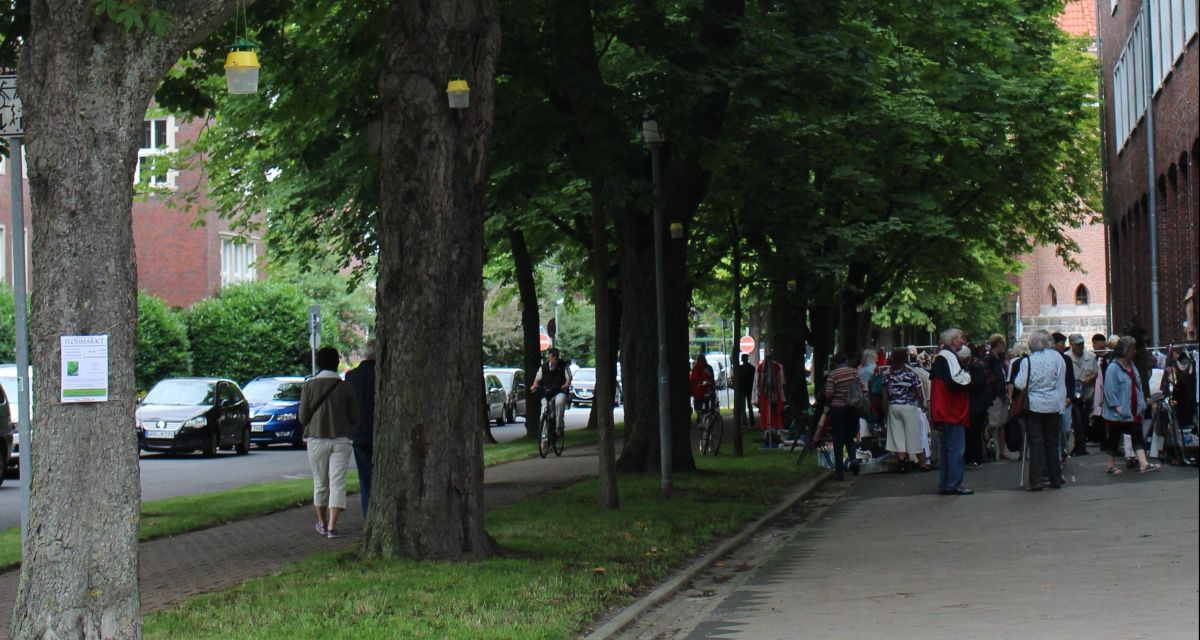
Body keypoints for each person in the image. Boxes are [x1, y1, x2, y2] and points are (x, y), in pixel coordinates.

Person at [301, 347, 360, 539]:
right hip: (342, 438)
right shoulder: (346, 387)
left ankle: (322, 522)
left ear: (319, 363)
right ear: (337, 362)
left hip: (316, 438)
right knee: (338, 482)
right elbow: (354, 416)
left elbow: (302, 417)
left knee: (320, 482)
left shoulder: (309, 386)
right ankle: (333, 526)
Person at [1014, 330, 1067, 491]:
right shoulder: (1056, 358)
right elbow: (1060, 381)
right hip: (1053, 404)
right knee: (1052, 443)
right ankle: (1055, 479)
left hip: (1034, 405)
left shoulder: (1027, 361)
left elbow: (1020, 383)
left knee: (1036, 444)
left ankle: (1036, 481)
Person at [1101, 336, 1159, 474]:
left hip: (1134, 409)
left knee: (1137, 435)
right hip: (1119, 412)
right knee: (1114, 437)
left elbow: (1137, 386)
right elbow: (1109, 390)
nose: (1135, 352)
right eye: (1133, 349)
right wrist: (1117, 407)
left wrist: (1142, 402)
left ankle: (1143, 463)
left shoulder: (1132, 366)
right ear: (1126, 350)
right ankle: (1110, 465)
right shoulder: (1113, 368)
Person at [931, 328, 973, 495]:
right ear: (953, 340)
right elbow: (957, 381)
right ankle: (954, 484)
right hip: (951, 411)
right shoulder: (948, 357)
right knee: (955, 449)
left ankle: (946, 483)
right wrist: (967, 376)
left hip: (944, 410)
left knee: (947, 449)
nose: (962, 341)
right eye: (960, 338)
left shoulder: (942, 357)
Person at [345, 338, 376, 519]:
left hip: (358, 433)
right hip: (378, 433)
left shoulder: (352, 376)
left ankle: (368, 518)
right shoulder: (383, 374)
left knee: (365, 481)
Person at [883, 348, 926, 473]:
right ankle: (922, 463)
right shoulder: (911, 373)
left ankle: (901, 463)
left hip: (894, 406)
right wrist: (921, 404)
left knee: (898, 436)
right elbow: (919, 392)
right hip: (910, 406)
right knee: (913, 434)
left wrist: (886, 410)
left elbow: (885, 395)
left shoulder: (887, 373)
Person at [824, 353, 866, 479]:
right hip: (852, 409)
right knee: (850, 437)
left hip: (838, 409)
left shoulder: (833, 374)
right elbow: (863, 388)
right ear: (846, 360)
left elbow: (829, 393)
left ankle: (839, 471)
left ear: (835, 363)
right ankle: (853, 460)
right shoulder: (853, 372)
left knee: (838, 439)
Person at [530, 347, 572, 437]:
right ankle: (544, 438)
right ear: (549, 357)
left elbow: (568, 377)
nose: (555, 358)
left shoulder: (563, 365)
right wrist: (534, 386)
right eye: (553, 356)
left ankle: (559, 426)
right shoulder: (543, 367)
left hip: (559, 391)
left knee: (559, 403)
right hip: (547, 392)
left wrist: (566, 385)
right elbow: (537, 379)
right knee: (543, 414)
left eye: (556, 356)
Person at [1068, 333, 1098, 456]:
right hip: (1074, 396)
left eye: (1081, 344)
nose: (1080, 346)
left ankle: (1080, 445)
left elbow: (1096, 373)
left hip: (1087, 394)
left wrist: (1089, 379)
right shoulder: (1066, 357)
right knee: (1077, 421)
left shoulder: (1091, 356)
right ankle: (1079, 446)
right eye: (1077, 344)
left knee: (1084, 422)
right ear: (1071, 345)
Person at [1051, 332, 1078, 458]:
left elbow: (1071, 380)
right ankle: (1058, 453)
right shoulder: (1050, 360)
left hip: (1066, 399)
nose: (1063, 346)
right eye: (1061, 343)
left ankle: (1062, 449)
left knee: (1066, 428)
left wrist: (1070, 397)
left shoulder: (1067, 359)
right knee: (1056, 429)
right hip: (1053, 400)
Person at [754, 350, 787, 447]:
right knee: (773, 414)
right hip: (774, 395)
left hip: (768, 395)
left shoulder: (761, 367)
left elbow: (757, 383)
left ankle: (770, 434)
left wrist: (758, 396)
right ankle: (773, 434)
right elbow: (782, 382)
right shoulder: (777, 367)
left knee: (770, 414)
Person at [689, 354, 717, 427]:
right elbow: (710, 379)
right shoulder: (708, 368)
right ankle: (709, 419)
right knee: (707, 406)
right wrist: (712, 386)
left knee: (698, 406)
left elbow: (692, 380)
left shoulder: (694, 368)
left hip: (697, 392)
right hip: (705, 390)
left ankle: (700, 418)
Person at [737, 354, 756, 425]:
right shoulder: (752, 368)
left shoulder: (739, 369)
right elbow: (754, 379)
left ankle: (744, 422)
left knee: (743, 407)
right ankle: (752, 421)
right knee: (750, 406)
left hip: (742, 389)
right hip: (749, 389)